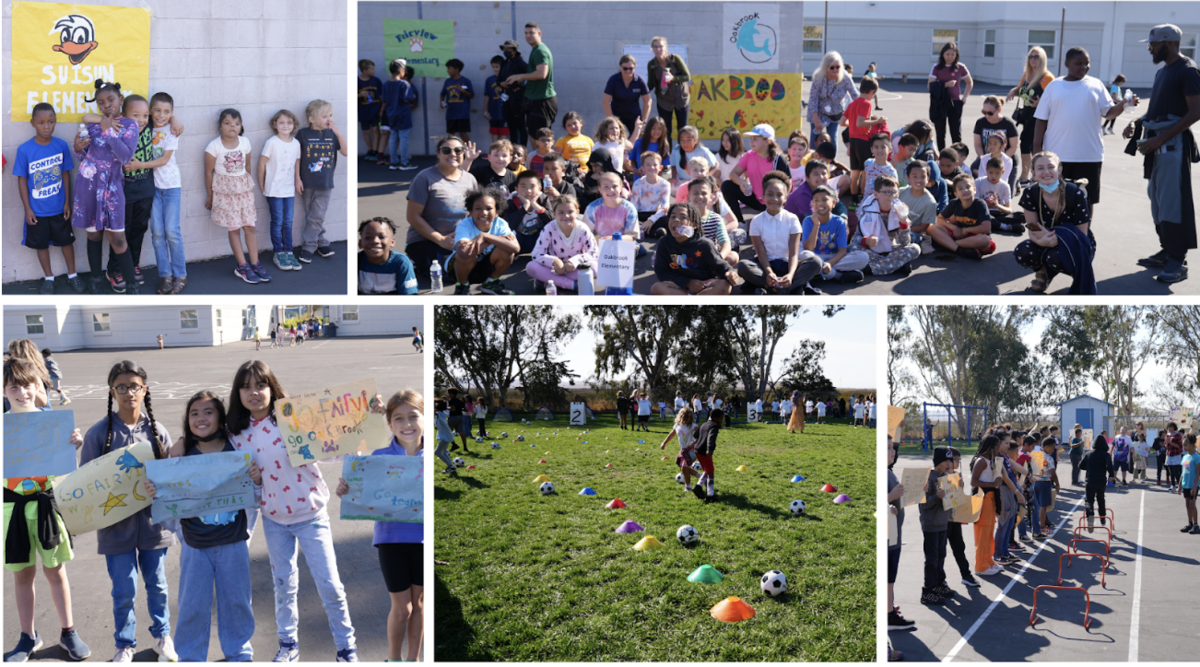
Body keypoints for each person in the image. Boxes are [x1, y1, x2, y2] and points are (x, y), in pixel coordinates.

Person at [225, 361, 358, 661]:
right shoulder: (236, 434)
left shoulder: (293, 419)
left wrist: (368, 420)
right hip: (274, 521)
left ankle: (346, 647)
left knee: (331, 587)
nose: (254, 392)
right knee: (284, 585)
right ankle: (288, 645)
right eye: (245, 387)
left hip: (311, 517)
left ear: (272, 387)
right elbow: (236, 480)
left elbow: (337, 448)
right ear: (238, 393)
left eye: (260, 385)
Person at [142, 391, 256, 662]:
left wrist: (256, 478)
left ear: (221, 418)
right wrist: (155, 493)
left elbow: (254, 493)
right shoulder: (180, 457)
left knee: (237, 603)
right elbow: (169, 503)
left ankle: (239, 653)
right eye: (194, 413)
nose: (201, 418)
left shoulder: (237, 448)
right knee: (192, 606)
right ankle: (191, 657)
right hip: (195, 546)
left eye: (208, 412)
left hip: (233, 542)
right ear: (187, 420)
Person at [78, 361, 177, 662]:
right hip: (114, 528)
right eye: (121, 387)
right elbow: (86, 482)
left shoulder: (157, 432)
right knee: (123, 591)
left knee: (157, 585)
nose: (128, 392)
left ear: (144, 389)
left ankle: (162, 637)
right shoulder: (99, 433)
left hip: (153, 525)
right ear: (112, 391)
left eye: (134, 386)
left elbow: (173, 477)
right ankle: (124, 644)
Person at [2, 358, 91, 662]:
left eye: (27, 385)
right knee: (23, 575)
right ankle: (28, 637)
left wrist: (72, 445)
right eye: (14, 386)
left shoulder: (51, 421)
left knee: (55, 571)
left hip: (45, 505)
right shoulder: (2, 427)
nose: (22, 392)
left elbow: (64, 468)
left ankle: (69, 632)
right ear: (3, 390)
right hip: (12, 508)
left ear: (37, 385)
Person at [332, 390, 425, 661]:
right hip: (391, 539)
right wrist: (347, 488)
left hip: (422, 540)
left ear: (424, 418)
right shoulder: (381, 455)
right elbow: (362, 488)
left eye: (413, 416)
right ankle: (394, 659)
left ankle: (413, 660)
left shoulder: (431, 458)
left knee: (419, 605)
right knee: (402, 608)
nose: (406, 424)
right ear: (390, 424)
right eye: (398, 419)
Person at [1126, 24, 1200, 284]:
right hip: (1156, 145)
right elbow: (1156, 109)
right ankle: (1167, 249)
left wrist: (1161, 138)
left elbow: (1195, 112)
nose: (1150, 49)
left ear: (1169, 43)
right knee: (1156, 200)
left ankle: (1177, 261)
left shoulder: (1188, 70)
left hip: (1172, 146)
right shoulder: (1162, 73)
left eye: (1153, 44)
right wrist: (1137, 124)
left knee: (1172, 202)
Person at [1033, 47, 1135, 217]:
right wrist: (1037, 150)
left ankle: (1084, 236)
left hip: (1089, 155)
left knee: (1086, 200)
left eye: (1086, 63)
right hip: (1057, 156)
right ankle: (1058, 236)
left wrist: (1125, 104)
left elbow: (1108, 112)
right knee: (1056, 199)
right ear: (1067, 64)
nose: (1083, 67)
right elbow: (1041, 120)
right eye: (1078, 63)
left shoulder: (1096, 84)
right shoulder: (1054, 86)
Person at [71, 80, 139, 294]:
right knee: (93, 235)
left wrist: (108, 130)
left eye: (111, 99)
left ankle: (132, 284)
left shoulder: (130, 125)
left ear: (120, 100)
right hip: (88, 184)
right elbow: (85, 156)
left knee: (118, 237)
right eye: (101, 102)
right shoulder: (92, 124)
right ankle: (96, 280)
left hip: (112, 188)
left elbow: (126, 156)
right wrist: (77, 147)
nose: (106, 104)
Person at [14, 103, 83, 294]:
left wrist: (67, 202)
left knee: (66, 242)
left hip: (60, 208)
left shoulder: (61, 145)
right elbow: (21, 181)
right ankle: (49, 278)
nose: (46, 126)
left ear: (55, 122)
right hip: (37, 210)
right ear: (32, 123)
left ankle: (72, 275)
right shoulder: (24, 150)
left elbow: (66, 175)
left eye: (51, 122)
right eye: (41, 122)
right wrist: (28, 209)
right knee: (41, 244)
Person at [1013, 151, 1095, 293]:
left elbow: (1081, 235)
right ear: (1032, 172)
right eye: (1040, 168)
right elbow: (1032, 228)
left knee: (1055, 257)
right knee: (1023, 252)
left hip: (1075, 243)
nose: (1046, 172)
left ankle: (1076, 275)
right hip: (1043, 239)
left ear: (1060, 169)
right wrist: (1041, 242)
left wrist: (1057, 239)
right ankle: (1043, 272)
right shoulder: (1030, 193)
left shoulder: (1075, 193)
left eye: (1051, 167)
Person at [204, 108, 269, 285]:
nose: (232, 127)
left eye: (236, 124)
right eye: (227, 123)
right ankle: (242, 265)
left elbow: (247, 167)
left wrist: (247, 189)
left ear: (241, 126)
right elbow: (209, 173)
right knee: (233, 228)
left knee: (250, 226)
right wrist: (210, 195)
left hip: (243, 192)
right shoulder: (214, 146)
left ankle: (255, 263)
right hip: (226, 193)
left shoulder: (245, 142)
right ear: (220, 126)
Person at [406, 136, 481, 277]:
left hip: (457, 239)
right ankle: (414, 262)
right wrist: (440, 239)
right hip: (426, 240)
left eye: (458, 150)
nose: (453, 154)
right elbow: (412, 216)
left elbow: (473, 213)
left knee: (478, 270)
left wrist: (469, 237)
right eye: (446, 150)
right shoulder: (424, 178)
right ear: (438, 153)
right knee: (450, 274)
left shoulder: (470, 179)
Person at [737, 171, 823, 294]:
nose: (774, 199)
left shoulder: (792, 219)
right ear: (763, 195)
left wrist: (790, 275)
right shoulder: (756, 221)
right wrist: (769, 273)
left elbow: (793, 254)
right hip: (764, 266)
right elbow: (761, 254)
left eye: (779, 195)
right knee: (743, 266)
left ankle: (775, 289)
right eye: (770, 194)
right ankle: (786, 289)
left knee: (816, 262)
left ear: (786, 197)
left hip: (788, 264)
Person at [296, 99, 348, 265]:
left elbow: (346, 152)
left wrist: (339, 133)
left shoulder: (332, 133)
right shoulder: (303, 134)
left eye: (331, 115)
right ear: (311, 119)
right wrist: (297, 178)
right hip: (306, 182)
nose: (329, 119)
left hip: (325, 183)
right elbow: (296, 158)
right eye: (325, 116)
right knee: (312, 216)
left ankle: (309, 246)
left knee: (316, 216)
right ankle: (322, 241)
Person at [650, 202, 737, 296]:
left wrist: (731, 274)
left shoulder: (705, 244)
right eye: (673, 216)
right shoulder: (664, 243)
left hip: (704, 285)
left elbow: (721, 266)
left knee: (724, 286)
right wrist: (687, 282)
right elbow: (662, 272)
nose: (676, 220)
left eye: (683, 217)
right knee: (656, 288)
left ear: (694, 225)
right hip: (680, 285)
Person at [259, 109, 303, 274]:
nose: (285, 125)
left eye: (289, 122)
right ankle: (278, 253)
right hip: (274, 190)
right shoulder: (272, 142)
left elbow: (297, 163)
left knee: (288, 221)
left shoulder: (296, 143)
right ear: (275, 124)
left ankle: (289, 252)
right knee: (277, 221)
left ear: (294, 125)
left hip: (289, 189)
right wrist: (263, 184)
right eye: (282, 122)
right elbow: (261, 164)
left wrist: (297, 180)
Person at [528, 194, 598, 294]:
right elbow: (536, 253)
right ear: (554, 214)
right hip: (554, 269)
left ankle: (547, 282)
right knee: (531, 267)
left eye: (570, 212)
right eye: (561, 212)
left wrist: (575, 260)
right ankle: (572, 285)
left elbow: (594, 252)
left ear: (577, 212)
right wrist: (554, 261)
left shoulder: (582, 228)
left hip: (575, 269)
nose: (566, 216)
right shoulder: (549, 228)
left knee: (594, 267)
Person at [854, 175, 921, 277]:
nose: (892, 196)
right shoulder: (867, 210)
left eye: (895, 192)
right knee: (853, 248)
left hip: (891, 248)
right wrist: (866, 241)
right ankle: (897, 264)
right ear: (876, 194)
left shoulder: (900, 210)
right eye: (887, 192)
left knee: (915, 248)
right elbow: (855, 239)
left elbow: (904, 243)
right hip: (872, 251)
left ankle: (871, 268)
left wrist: (903, 222)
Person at [723, 124, 791, 225]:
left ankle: (774, 217)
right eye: (751, 138)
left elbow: (788, 184)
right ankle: (739, 223)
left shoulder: (779, 159)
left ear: (767, 141)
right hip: (755, 198)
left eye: (755, 139)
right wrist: (741, 182)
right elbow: (733, 174)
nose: (751, 141)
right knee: (727, 186)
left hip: (772, 201)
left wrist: (779, 201)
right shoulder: (749, 155)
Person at [1007, 46, 1056, 187]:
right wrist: (1013, 91)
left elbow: (1054, 99)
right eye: (1031, 56)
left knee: (1035, 146)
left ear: (1042, 59)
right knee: (1027, 144)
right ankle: (1028, 176)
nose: (1033, 59)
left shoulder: (1047, 77)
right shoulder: (1027, 74)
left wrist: (1041, 104)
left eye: (1036, 57)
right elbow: (1021, 90)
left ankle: (1032, 177)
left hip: (1040, 117)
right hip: (1028, 115)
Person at [802, 185, 867, 284]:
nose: (820, 203)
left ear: (833, 203)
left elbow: (842, 251)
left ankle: (818, 272)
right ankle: (837, 275)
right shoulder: (808, 221)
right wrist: (816, 225)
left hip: (835, 258)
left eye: (824, 200)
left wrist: (829, 263)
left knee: (863, 257)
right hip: (816, 258)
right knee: (802, 254)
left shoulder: (839, 221)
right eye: (816, 200)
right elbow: (808, 249)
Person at [504, 23, 557, 139]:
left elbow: (542, 74)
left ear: (539, 34)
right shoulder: (535, 49)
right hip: (535, 99)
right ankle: (537, 157)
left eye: (532, 33)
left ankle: (544, 158)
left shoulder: (540, 51)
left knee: (541, 138)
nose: (528, 36)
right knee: (533, 134)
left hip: (542, 101)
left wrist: (520, 76)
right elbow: (535, 74)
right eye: (526, 33)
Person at [918, 446, 955, 605]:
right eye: (945, 460)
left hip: (943, 523)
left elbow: (951, 501)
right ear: (937, 462)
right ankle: (928, 591)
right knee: (931, 559)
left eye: (950, 461)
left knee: (941, 556)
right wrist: (937, 497)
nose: (948, 464)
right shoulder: (929, 478)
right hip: (931, 524)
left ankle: (940, 584)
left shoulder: (946, 477)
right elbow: (923, 505)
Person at [931, 173, 994, 260]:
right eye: (960, 188)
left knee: (985, 241)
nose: (965, 190)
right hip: (959, 234)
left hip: (974, 236)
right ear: (956, 194)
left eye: (968, 187)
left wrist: (966, 230)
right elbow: (939, 219)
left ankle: (949, 245)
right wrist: (954, 228)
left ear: (975, 190)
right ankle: (960, 249)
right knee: (931, 227)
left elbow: (986, 228)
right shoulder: (954, 203)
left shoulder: (980, 204)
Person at [808, 52, 857, 155]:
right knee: (815, 141)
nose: (835, 70)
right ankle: (811, 165)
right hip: (818, 113)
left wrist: (863, 111)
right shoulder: (819, 77)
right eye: (832, 67)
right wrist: (816, 120)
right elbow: (813, 98)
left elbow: (855, 95)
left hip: (835, 114)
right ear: (826, 67)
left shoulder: (845, 76)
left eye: (838, 67)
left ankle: (832, 164)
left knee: (833, 139)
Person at [846, 78, 888, 199]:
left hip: (852, 140)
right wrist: (878, 121)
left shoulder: (852, 103)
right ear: (871, 92)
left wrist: (853, 124)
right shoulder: (866, 103)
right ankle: (864, 198)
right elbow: (860, 123)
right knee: (865, 172)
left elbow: (843, 122)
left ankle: (854, 199)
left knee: (854, 172)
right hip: (863, 141)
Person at [928, 43, 973, 151]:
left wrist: (965, 97)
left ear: (956, 55)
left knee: (955, 131)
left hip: (955, 102)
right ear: (943, 54)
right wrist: (945, 84)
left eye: (953, 54)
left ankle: (957, 155)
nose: (950, 57)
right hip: (940, 103)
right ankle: (942, 155)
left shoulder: (960, 67)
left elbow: (969, 82)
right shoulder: (937, 67)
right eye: (947, 54)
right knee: (940, 131)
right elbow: (930, 86)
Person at [646, 37, 691, 142]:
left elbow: (687, 76)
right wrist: (639, 88)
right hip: (664, 101)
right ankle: (667, 155)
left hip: (681, 100)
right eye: (655, 47)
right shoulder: (652, 64)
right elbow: (651, 84)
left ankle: (682, 156)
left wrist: (673, 78)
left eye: (660, 46)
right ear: (652, 49)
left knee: (683, 129)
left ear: (666, 48)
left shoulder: (675, 59)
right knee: (666, 131)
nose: (658, 49)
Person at [358, 216, 418, 295]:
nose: (375, 241)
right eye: (368, 237)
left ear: (392, 242)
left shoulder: (401, 262)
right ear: (360, 243)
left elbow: (408, 296)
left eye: (382, 237)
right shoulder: (356, 261)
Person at [972, 95, 1019, 186]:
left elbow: (1014, 146)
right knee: (973, 170)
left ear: (999, 110)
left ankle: (1015, 184)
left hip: (1006, 157)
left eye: (990, 113)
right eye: (984, 112)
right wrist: (984, 159)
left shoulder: (1008, 124)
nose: (986, 115)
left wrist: (1000, 159)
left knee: (1006, 189)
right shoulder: (980, 122)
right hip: (986, 156)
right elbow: (978, 145)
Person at [381, 58, 417, 171]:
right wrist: (413, 97)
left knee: (393, 138)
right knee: (404, 138)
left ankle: (394, 162)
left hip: (391, 115)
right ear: (401, 71)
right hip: (403, 115)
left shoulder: (386, 84)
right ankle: (404, 163)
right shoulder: (404, 83)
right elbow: (407, 99)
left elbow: (385, 100)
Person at [603, 54, 652, 135]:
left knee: (638, 139)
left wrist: (643, 120)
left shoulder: (640, 81)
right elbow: (605, 101)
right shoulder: (613, 80)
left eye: (631, 68)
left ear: (635, 68)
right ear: (620, 67)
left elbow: (648, 101)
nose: (628, 71)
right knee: (615, 138)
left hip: (634, 116)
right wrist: (612, 119)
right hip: (617, 115)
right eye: (625, 68)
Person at [899, 160, 939, 255]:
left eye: (923, 176)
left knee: (906, 237)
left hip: (913, 233)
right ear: (908, 178)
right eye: (915, 176)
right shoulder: (900, 192)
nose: (919, 180)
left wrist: (902, 229)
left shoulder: (930, 202)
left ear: (928, 178)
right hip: (894, 228)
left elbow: (923, 227)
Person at [660, 406, 700, 492]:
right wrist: (664, 443)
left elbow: (701, 433)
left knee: (684, 468)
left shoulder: (692, 426)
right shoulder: (677, 425)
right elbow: (671, 435)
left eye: (690, 417)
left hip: (691, 450)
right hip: (683, 450)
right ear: (681, 416)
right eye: (687, 416)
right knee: (681, 466)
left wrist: (695, 442)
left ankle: (688, 487)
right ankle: (701, 477)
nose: (689, 419)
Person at [497, 40, 529, 147]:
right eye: (504, 49)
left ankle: (522, 150)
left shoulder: (519, 62)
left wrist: (521, 84)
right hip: (506, 98)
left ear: (514, 51)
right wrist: (502, 84)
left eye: (508, 49)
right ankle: (513, 149)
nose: (506, 51)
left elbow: (531, 75)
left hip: (517, 99)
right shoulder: (505, 63)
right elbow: (498, 80)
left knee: (520, 126)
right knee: (511, 126)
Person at [1082, 435, 1116, 533]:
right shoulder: (1106, 455)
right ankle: (1102, 518)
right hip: (1101, 480)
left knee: (1089, 500)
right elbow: (1110, 465)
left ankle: (1090, 515)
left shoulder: (1089, 454)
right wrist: (1111, 475)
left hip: (1090, 480)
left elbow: (1081, 465)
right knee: (1101, 498)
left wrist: (1089, 468)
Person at [976, 153, 1017, 231]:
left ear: (1003, 172)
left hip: (999, 213)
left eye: (997, 173)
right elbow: (974, 206)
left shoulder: (1005, 186)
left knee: (1021, 216)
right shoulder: (978, 182)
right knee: (978, 216)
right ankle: (1004, 226)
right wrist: (987, 206)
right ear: (986, 170)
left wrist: (997, 205)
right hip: (983, 212)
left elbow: (1009, 210)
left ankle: (995, 224)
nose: (993, 176)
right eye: (991, 173)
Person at [439, 59, 474, 143]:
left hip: (463, 114)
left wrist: (463, 91)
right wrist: (442, 102)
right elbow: (442, 94)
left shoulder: (466, 81)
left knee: (463, 133)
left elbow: (472, 95)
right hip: (451, 114)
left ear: (457, 69)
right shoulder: (447, 82)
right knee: (451, 134)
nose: (448, 71)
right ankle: (452, 152)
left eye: (449, 68)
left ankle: (469, 151)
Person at [694, 408, 723, 503]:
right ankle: (710, 496)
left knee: (707, 470)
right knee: (711, 472)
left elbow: (696, 435)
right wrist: (709, 449)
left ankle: (698, 487)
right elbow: (711, 437)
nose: (721, 421)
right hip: (704, 451)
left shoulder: (705, 424)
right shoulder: (714, 426)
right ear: (715, 418)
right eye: (720, 419)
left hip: (697, 450)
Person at [357, 59, 384, 162]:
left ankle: (376, 151)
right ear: (364, 71)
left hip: (375, 110)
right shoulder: (356, 81)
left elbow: (381, 96)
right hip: (363, 111)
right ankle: (370, 150)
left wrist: (382, 109)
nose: (375, 70)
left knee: (375, 130)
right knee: (365, 132)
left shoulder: (376, 81)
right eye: (372, 69)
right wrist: (359, 95)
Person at [553, 111, 593, 175]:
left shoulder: (589, 140)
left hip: (588, 174)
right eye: (569, 125)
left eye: (575, 123)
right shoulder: (562, 140)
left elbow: (593, 159)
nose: (573, 127)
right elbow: (556, 159)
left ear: (580, 123)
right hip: (570, 174)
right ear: (565, 128)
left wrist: (589, 171)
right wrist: (573, 169)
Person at [484, 55, 509, 141]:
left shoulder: (508, 79)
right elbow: (487, 95)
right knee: (494, 133)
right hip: (493, 111)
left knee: (503, 134)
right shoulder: (489, 80)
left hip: (505, 111)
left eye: (497, 67)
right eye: (493, 67)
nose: (495, 69)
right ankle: (493, 152)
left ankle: (504, 152)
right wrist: (484, 109)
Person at [1181, 435, 1200, 533]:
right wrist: (1180, 484)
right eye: (1183, 445)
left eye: (1186, 445)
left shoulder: (1197, 457)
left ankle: (1196, 525)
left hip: (1193, 486)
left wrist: (1194, 487)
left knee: (1192, 504)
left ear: (1192, 445)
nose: (1184, 447)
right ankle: (1190, 523)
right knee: (1187, 504)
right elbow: (1183, 472)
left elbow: (1198, 473)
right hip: (1186, 485)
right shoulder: (1184, 457)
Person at [1165, 422, 1185, 491]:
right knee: (1171, 471)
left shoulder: (1177, 435)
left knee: (1176, 471)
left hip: (1176, 455)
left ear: (1174, 427)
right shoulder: (1167, 435)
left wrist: (1170, 442)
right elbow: (1166, 446)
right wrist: (1167, 443)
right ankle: (1172, 485)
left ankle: (1181, 486)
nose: (1169, 428)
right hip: (1169, 455)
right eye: (1168, 427)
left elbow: (1178, 446)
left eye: (1171, 427)